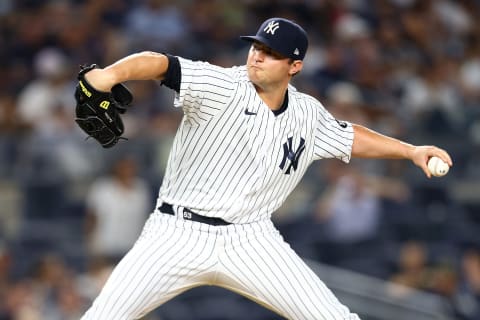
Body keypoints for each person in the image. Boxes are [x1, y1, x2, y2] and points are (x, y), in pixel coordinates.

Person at [78, 17, 452, 320]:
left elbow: (350, 137)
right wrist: (108, 76)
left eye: (270, 53)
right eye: (256, 46)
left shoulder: (307, 113)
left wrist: (411, 150)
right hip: (176, 232)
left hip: (250, 238)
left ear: (295, 66)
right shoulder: (222, 84)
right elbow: (160, 63)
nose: (256, 56)